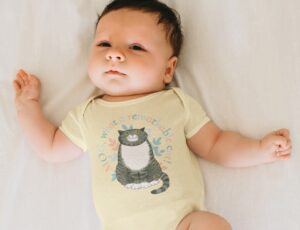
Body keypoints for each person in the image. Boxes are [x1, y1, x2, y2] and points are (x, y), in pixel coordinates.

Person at [12, 0, 292, 229]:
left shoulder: (175, 103)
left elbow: (216, 144)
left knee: (212, 225)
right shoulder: (88, 114)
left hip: (182, 222)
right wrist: (28, 106)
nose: (115, 55)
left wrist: (259, 149)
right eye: (104, 45)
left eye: (135, 47)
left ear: (168, 70)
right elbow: (50, 147)